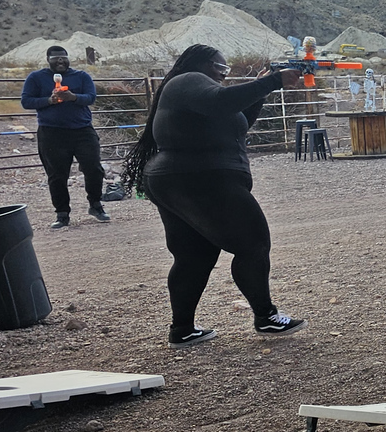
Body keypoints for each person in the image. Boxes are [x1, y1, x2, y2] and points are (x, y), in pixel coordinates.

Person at [119, 44, 307, 348]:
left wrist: (261, 90)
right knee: (253, 244)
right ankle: (266, 316)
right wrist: (273, 81)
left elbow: (236, 118)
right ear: (205, 64)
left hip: (179, 178)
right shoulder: (189, 80)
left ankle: (182, 329)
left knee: (194, 255)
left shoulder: (192, 91)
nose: (223, 75)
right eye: (221, 68)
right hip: (201, 177)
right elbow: (222, 101)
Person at [20, 45, 109, 228]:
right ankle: (62, 214)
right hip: (52, 132)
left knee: (93, 168)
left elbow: (91, 97)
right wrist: (49, 100)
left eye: (63, 58)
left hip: (82, 130)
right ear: (48, 60)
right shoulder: (36, 77)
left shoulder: (81, 76)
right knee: (57, 175)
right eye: (56, 58)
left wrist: (73, 97)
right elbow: (26, 101)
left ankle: (95, 204)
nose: (60, 61)